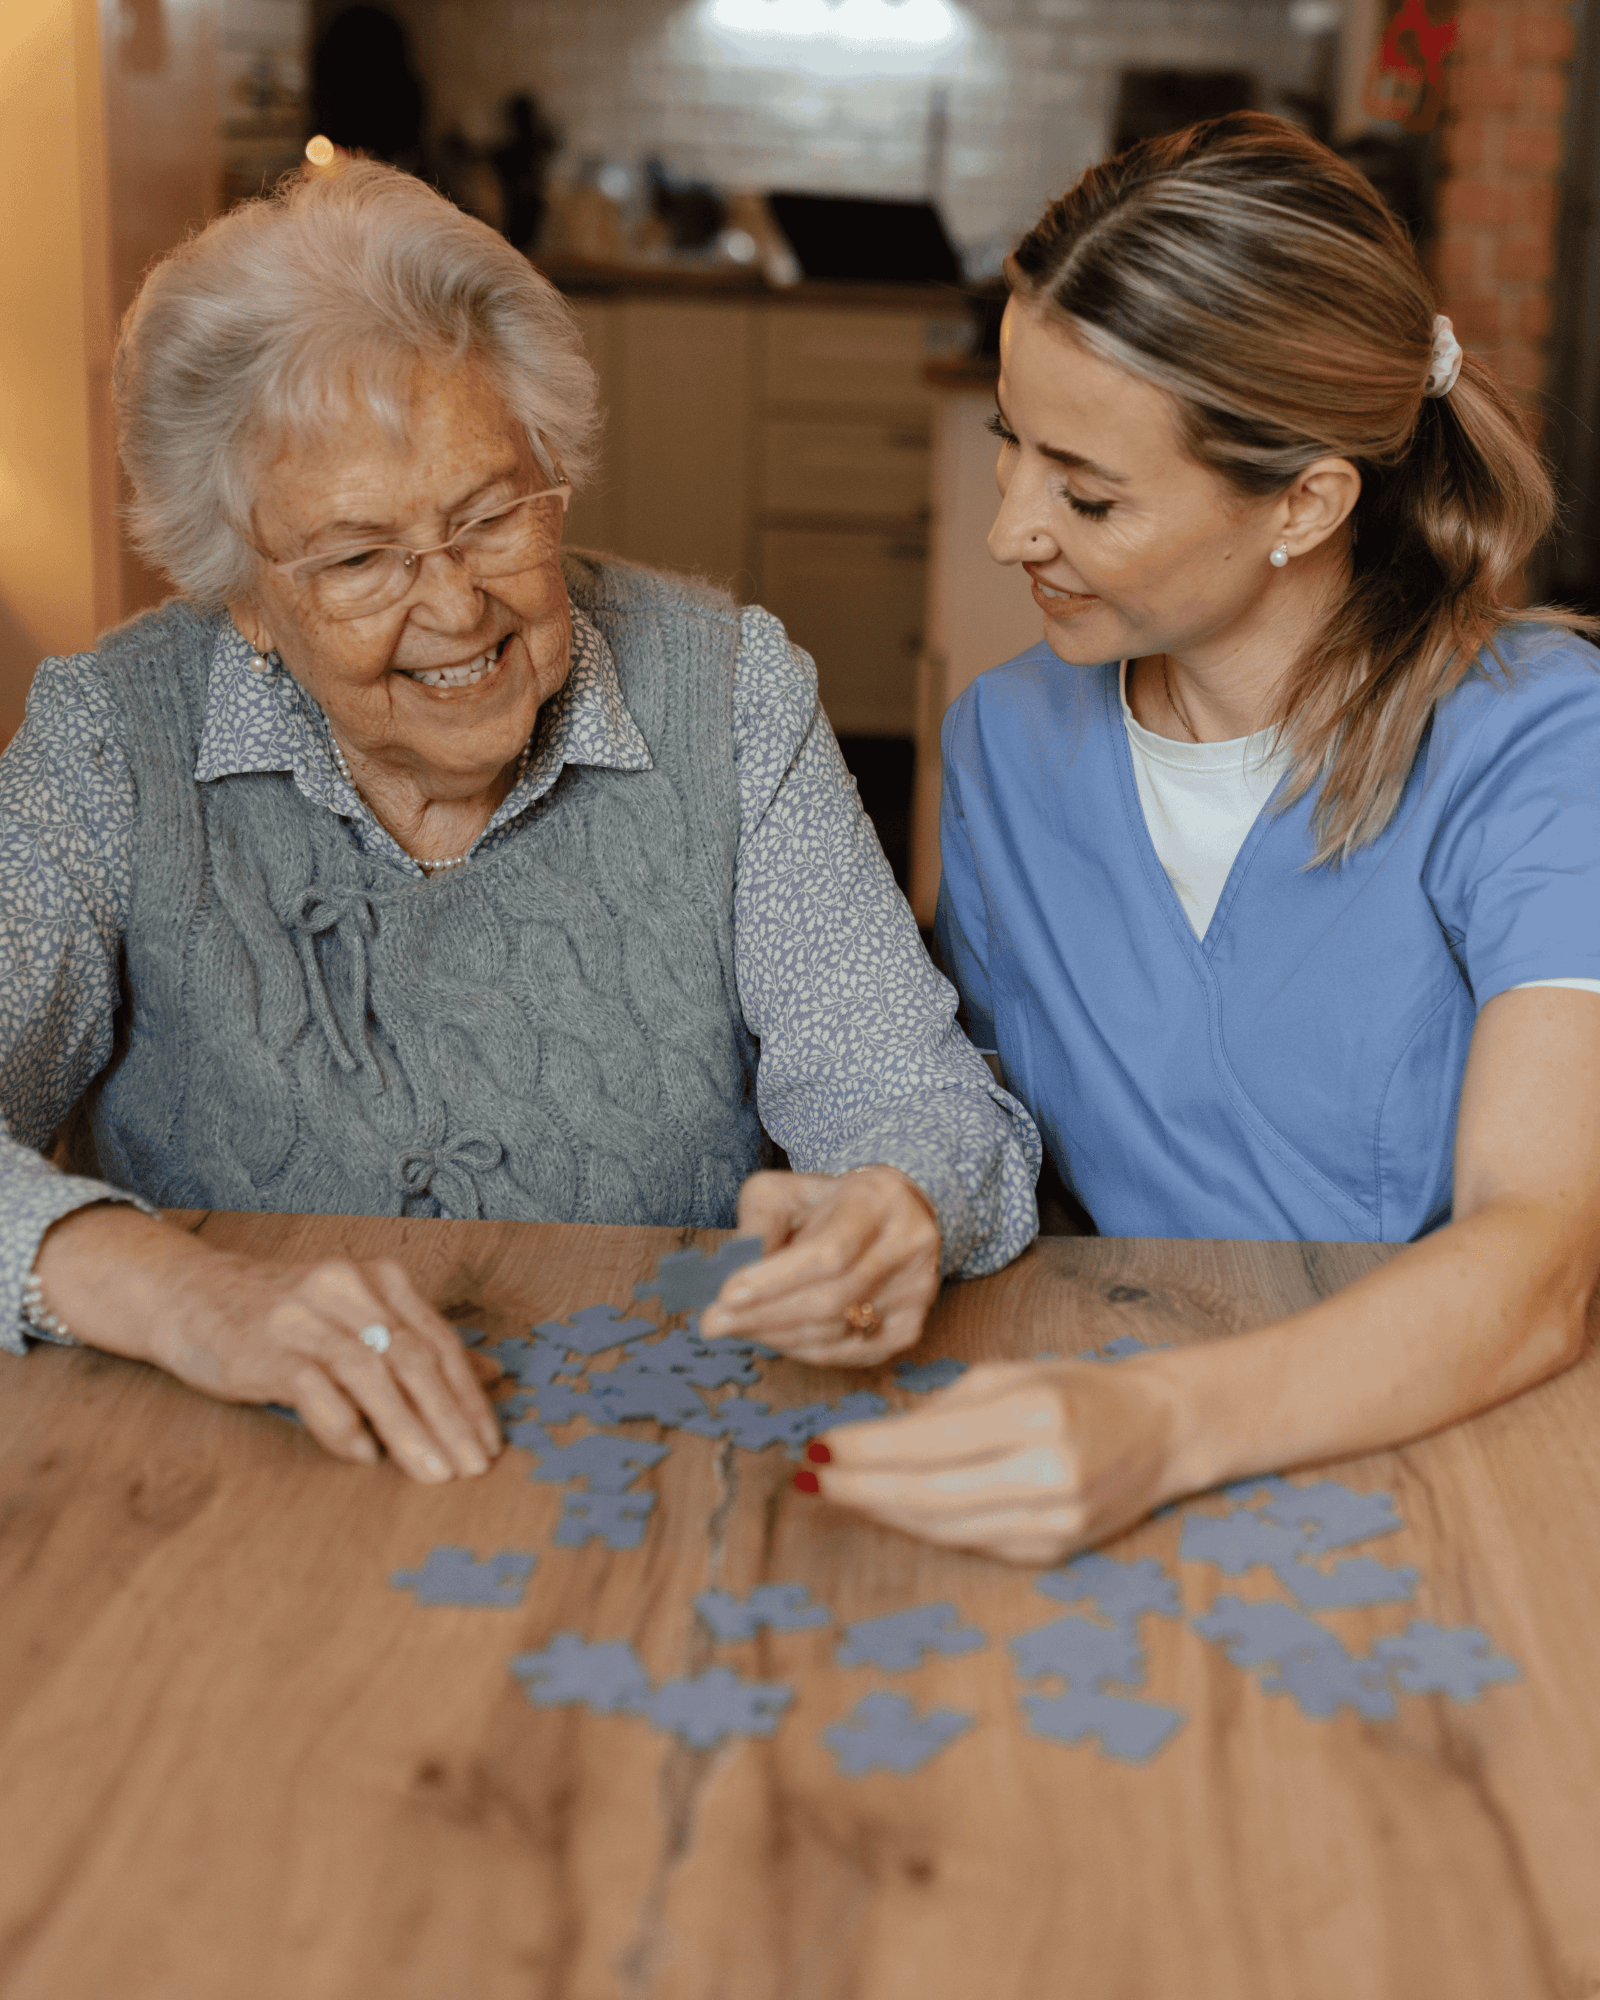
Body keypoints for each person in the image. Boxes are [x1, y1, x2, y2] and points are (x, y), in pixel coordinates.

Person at [2, 162, 1039, 1484]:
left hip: (648, 1452)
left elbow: (901, 1083)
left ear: (555, 475)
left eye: (492, 516)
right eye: (360, 558)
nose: (453, 609)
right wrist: (182, 1294)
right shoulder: (110, 741)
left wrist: (899, 1203)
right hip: (223, 1470)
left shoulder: (728, 691)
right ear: (240, 597)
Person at [798, 114, 1600, 1561]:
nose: (1010, 533)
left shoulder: (1547, 740)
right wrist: (892, 1194)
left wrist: (1162, 1425)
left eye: (1086, 492)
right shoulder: (1001, 745)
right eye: (1012, 449)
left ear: (1304, 502)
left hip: (1444, 1455)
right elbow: (1009, 1136)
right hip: (1104, 1448)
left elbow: (1541, 1257)